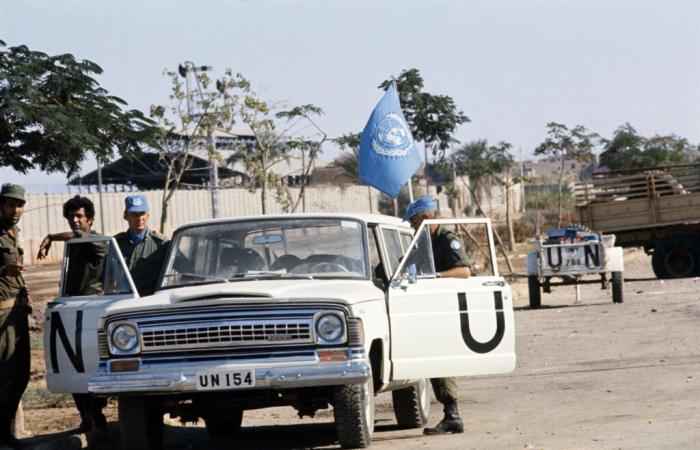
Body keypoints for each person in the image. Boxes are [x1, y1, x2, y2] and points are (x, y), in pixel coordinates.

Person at [37, 195, 108, 432]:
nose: (74, 220)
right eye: (71, 216)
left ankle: (97, 417)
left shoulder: (97, 240)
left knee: (92, 366)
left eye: (79, 216)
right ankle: (87, 417)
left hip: (92, 311)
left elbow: (79, 238)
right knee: (71, 367)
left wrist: (51, 237)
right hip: (71, 312)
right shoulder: (73, 247)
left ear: (90, 219)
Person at [403, 196, 470, 436]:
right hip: (426, 308)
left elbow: (464, 271)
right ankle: (451, 415)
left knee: (440, 358)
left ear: (428, 218)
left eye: (414, 221)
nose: (412, 226)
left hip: (444, 308)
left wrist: (437, 277)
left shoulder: (446, 239)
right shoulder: (421, 241)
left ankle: (453, 415)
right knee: (431, 359)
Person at [0, 184, 31, 449]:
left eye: (19, 205)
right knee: (5, 374)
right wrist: (3, 270)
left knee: (22, 374)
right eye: (10, 205)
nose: (15, 210)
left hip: (19, 311)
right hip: (2, 313)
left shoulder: (14, 232)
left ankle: (7, 430)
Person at [114, 195, 168, 297]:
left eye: (142, 213)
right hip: (123, 301)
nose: (139, 218)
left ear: (148, 215)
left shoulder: (161, 243)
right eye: (134, 214)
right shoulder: (116, 244)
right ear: (125, 216)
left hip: (151, 302)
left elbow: (183, 267)